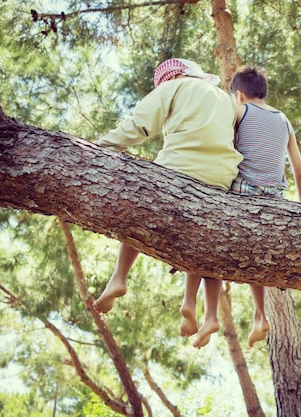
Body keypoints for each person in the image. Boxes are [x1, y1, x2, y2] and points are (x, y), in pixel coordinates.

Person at [94, 58, 242, 314]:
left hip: (178, 170)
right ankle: (193, 304)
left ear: (170, 77)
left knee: (138, 211)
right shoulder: (226, 99)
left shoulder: (172, 87)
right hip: (220, 180)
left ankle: (119, 277)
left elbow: (138, 125)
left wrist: (99, 147)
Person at [179, 66, 301, 349]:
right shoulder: (284, 120)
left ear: (238, 94)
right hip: (274, 200)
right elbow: (298, 170)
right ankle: (261, 315)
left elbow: (218, 144)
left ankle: (206, 312)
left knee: (207, 240)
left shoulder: (240, 112)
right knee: (254, 257)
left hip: (243, 193)